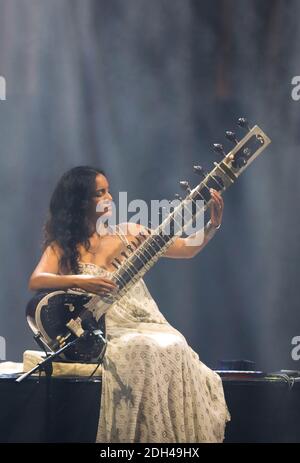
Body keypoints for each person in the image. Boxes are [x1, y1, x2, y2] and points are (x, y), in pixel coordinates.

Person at [28, 165, 230, 443]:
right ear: (80, 201)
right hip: (105, 331)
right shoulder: (63, 246)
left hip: (143, 321)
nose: (110, 197)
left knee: (175, 345)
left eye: (109, 190)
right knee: (144, 348)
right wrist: (83, 282)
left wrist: (212, 225)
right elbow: (37, 281)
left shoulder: (130, 233)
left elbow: (187, 249)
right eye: (100, 193)